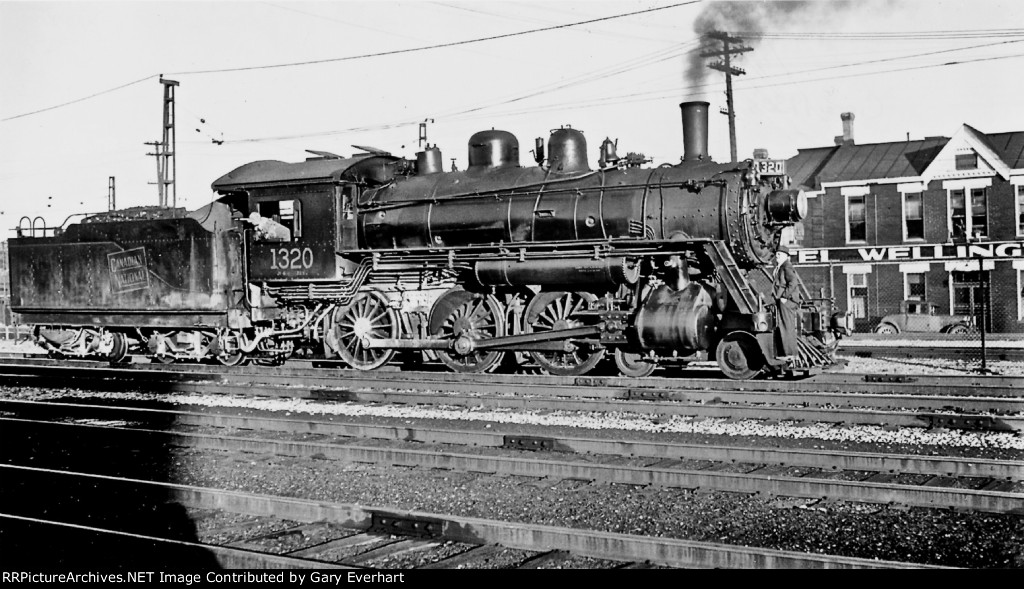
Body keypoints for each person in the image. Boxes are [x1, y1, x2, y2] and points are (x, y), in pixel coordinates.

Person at [772, 245, 802, 361]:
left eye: (779, 254)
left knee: (786, 326)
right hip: (784, 301)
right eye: (776, 254)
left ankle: (790, 353)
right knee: (784, 325)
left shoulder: (786, 266)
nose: (776, 256)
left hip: (787, 301)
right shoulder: (781, 267)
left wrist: (784, 297)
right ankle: (787, 353)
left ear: (785, 256)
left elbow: (793, 282)